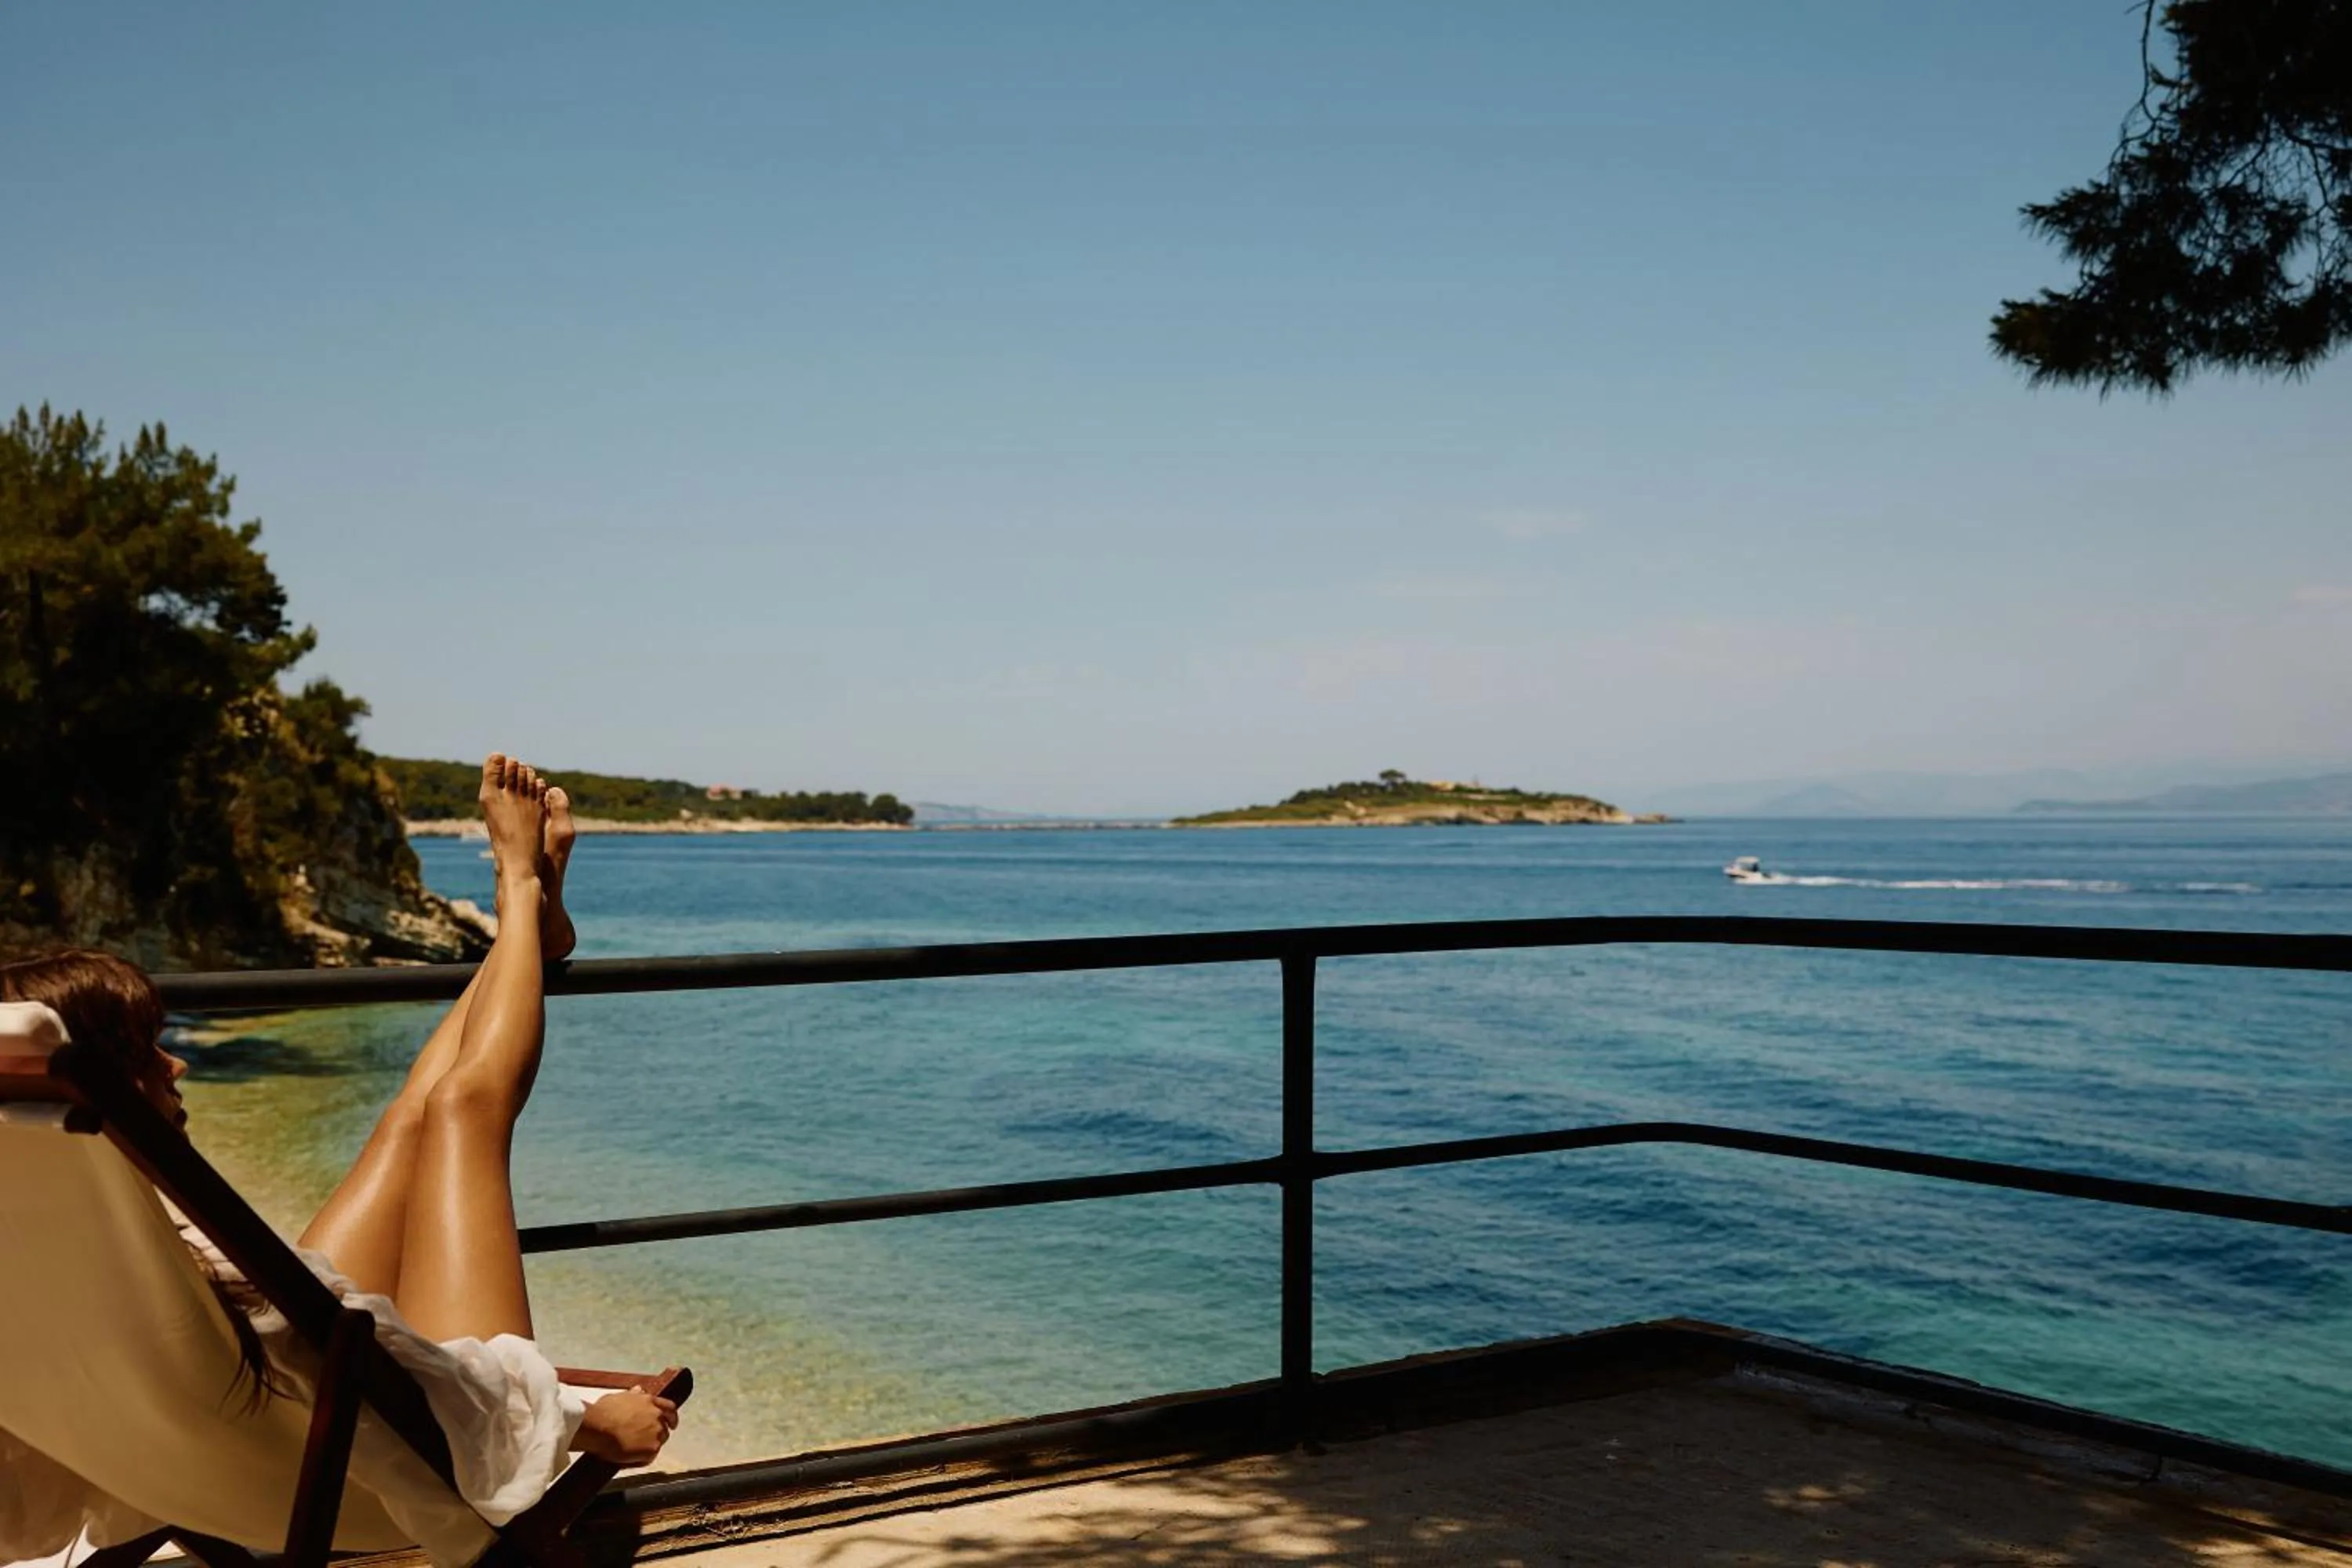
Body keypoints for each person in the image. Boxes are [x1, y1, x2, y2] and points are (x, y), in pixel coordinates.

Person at [0, 754, 676, 1559]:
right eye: (149, 1052)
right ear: (100, 1085)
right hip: (352, 1483)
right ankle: (521, 894)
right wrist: (581, 1418)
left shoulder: (46, 1235)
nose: (177, 1065)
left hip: (210, 1461)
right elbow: (352, 1361)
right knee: (461, 1112)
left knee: (406, 1123)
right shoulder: (171, 1254)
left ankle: (523, 929)